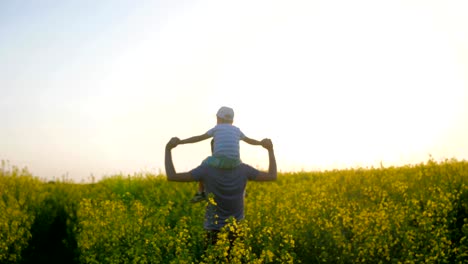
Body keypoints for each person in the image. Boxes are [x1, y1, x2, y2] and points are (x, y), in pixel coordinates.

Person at [164, 136, 277, 246]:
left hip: (213, 230)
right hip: (237, 230)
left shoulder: (205, 169)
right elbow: (272, 175)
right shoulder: (244, 169)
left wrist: (168, 149)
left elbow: (172, 176)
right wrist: (270, 150)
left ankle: (200, 193)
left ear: (214, 150)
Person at [175, 106, 265, 203]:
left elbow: (199, 138)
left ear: (219, 119)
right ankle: (243, 191)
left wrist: (181, 142)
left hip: (219, 160)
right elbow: (249, 140)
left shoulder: (217, 129)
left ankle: (201, 192)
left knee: (204, 163)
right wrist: (261, 143)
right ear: (232, 120)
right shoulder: (237, 130)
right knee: (242, 168)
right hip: (235, 163)